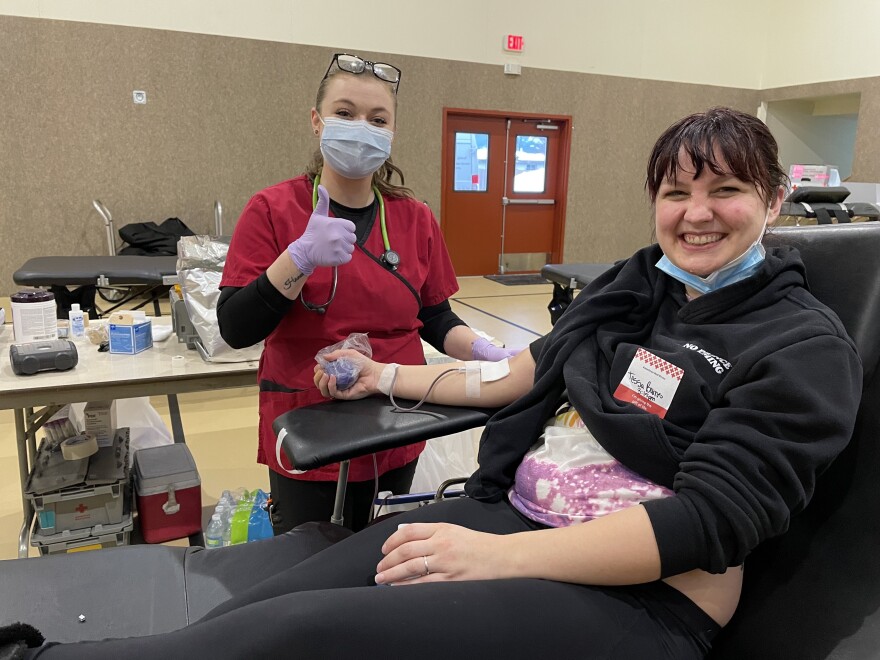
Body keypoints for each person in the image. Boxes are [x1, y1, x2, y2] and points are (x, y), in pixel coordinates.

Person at [9, 107, 862, 659]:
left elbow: (710, 519)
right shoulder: (636, 288)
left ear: (775, 199)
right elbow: (515, 378)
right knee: (261, 607)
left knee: (302, 636)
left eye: (727, 190)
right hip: (514, 511)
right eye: (676, 192)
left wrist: (493, 557)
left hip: (644, 594)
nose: (697, 212)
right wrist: (383, 373)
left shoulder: (799, 345)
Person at [215, 52, 517, 533]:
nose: (361, 128)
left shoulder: (414, 218)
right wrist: (298, 258)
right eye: (345, 113)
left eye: (378, 119)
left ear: (392, 133)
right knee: (310, 566)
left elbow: (437, 319)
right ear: (317, 122)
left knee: (381, 556)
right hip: (308, 426)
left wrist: (490, 352)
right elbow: (235, 327)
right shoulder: (272, 210)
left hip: (397, 416)